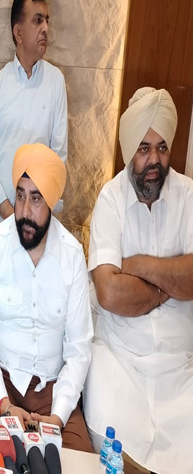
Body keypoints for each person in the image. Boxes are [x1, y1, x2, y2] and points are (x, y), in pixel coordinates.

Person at [84, 87, 193, 472]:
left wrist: (139, 265)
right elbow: (110, 292)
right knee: (113, 433)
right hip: (121, 358)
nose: (154, 160)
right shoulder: (110, 199)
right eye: (144, 149)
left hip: (180, 365)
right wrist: (172, 282)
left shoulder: (188, 196)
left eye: (161, 148)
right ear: (130, 149)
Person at [0, 143, 93, 452]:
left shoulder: (72, 256)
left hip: (52, 392)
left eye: (36, 198)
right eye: (20, 196)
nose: (24, 211)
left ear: (51, 202)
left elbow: (79, 349)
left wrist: (57, 417)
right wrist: (4, 404)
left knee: (78, 462)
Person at [0, 0, 67, 234]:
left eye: (46, 20)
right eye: (37, 20)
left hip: (38, 227)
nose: (45, 28)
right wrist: (9, 213)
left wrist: (35, 213)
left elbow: (59, 158)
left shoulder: (56, 82)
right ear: (18, 33)